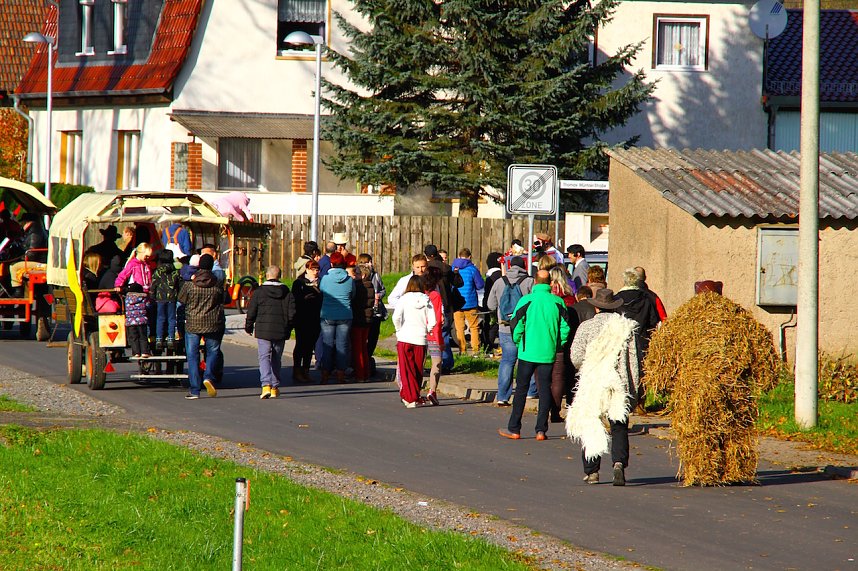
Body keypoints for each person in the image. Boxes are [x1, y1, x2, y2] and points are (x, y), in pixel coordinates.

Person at [566, 288, 641, 486]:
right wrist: (634, 388)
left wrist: (586, 366)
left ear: (596, 307)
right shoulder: (625, 327)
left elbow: (575, 357)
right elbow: (633, 360)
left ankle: (592, 471)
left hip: (593, 380)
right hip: (617, 381)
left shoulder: (586, 327)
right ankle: (618, 463)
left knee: (591, 422)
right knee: (618, 425)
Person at [498, 270, 570, 440]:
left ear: (535, 282)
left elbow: (515, 324)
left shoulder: (527, 300)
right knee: (545, 389)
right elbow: (565, 327)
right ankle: (541, 430)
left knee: (521, 389)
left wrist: (518, 341)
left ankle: (514, 428)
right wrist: (557, 344)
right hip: (548, 352)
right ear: (550, 283)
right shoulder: (557, 302)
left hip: (527, 352)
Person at [486, 256, 533, 406]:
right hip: (525, 327)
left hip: (505, 327)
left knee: (507, 361)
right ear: (524, 266)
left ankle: (503, 396)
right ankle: (531, 392)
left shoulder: (500, 281)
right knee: (528, 360)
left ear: (510, 266)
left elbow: (490, 305)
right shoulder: (529, 281)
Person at [245, 265, 296, 399]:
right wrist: (288, 328)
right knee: (276, 358)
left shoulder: (259, 292)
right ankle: (274, 386)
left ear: (267, 276)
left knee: (264, 357)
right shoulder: (287, 292)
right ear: (279, 276)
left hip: (263, 330)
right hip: (280, 330)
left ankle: (266, 384)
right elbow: (292, 313)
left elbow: (252, 311)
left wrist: (249, 326)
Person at [178, 254, 224, 400]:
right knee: (213, 351)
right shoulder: (217, 284)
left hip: (193, 324)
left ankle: (194, 390)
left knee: (192, 356)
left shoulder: (190, 285)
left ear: (198, 266)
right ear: (211, 266)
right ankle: (209, 376)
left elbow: (181, 299)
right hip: (213, 323)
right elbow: (225, 300)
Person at [392, 275, 436, 408]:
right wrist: (427, 329)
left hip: (405, 337)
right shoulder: (426, 300)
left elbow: (396, 317)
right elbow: (433, 320)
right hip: (420, 338)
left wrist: (399, 330)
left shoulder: (403, 299)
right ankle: (414, 395)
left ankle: (409, 397)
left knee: (406, 369)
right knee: (417, 369)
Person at [424, 245, 462, 372]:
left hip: (431, 305)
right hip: (446, 304)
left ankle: (438, 363)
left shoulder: (426, 269)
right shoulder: (446, 268)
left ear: (426, 256)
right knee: (444, 334)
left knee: (430, 335)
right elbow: (459, 283)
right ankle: (446, 362)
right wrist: (456, 273)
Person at [548, 266, 579, 423]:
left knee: (545, 375)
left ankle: (546, 407)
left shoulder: (549, 296)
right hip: (565, 340)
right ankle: (557, 409)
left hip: (547, 339)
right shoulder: (569, 296)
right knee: (560, 376)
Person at [319, 251, 355, 384]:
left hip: (327, 314)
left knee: (327, 344)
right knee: (342, 345)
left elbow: (321, 291)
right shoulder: (349, 280)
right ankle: (341, 374)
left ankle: (325, 375)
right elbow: (353, 295)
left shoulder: (325, 278)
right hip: (345, 314)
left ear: (331, 263)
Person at [616, 267, 661, 356]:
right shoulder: (647, 299)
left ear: (624, 281)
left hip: (622, 344)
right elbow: (654, 323)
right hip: (643, 343)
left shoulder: (616, 300)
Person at [291, 259, 322, 383]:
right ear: (307, 269)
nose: (316, 272)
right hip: (302, 318)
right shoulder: (299, 283)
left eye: (317, 269)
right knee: (300, 345)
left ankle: (306, 370)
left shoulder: (320, 283)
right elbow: (293, 299)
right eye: (313, 269)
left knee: (310, 347)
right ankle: (297, 370)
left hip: (315, 318)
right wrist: (304, 298)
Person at [451, 248, 484, 355]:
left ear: (459, 256)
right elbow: (480, 286)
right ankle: (476, 351)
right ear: (469, 257)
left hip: (456, 303)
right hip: (470, 303)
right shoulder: (473, 269)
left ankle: (462, 350)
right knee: (474, 327)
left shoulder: (453, 268)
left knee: (459, 328)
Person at [358, 253, 386, 371]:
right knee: (364, 337)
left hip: (376, 311)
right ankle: (363, 360)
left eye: (370, 261)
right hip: (364, 312)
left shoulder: (376, 276)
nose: (370, 264)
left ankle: (368, 356)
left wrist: (378, 295)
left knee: (374, 336)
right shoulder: (358, 277)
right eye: (366, 262)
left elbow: (383, 289)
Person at [421, 267, 445, 406]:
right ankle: (432, 390)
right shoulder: (435, 295)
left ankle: (415, 390)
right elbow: (436, 318)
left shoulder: (419, 293)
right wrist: (439, 338)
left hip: (418, 332)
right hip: (432, 334)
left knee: (420, 363)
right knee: (436, 363)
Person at [8, 213, 48, 296]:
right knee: (13, 265)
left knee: (14, 266)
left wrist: (20, 258)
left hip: (40, 263)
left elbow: (32, 252)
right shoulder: (34, 231)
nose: (22, 225)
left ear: (28, 222)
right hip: (38, 260)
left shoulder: (35, 233)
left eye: (23, 222)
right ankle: (18, 290)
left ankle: (18, 292)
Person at [150, 249, 181, 351]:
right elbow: (178, 285)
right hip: (172, 298)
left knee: (160, 318)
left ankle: (159, 339)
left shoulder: (158, 272)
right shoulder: (175, 272)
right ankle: (171, 338)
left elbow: (153, 285)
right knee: (171, 318)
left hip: (160, 298)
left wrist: (153, 296)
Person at [350, 263, 375, 382]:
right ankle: (366, 373)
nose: (355, 276)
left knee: (357, 348)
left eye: (357, 273)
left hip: (358, 319)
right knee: (363, 348)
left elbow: (355, 303)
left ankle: (360, 374)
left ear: (363, 275)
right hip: (367, 319)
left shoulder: (359, 286)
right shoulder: (370, 285)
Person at [480, 252, 503, 352]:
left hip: (489, 302)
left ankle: (486, 345)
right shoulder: (501, 275)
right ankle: (488, 344)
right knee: (494, 325)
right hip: (498, 303)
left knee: (489, 324)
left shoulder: (490, 276)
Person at [124, 283, 151, 358]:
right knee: (143, 337)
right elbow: (148, 306)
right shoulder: (143, 298)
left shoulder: (127, 299)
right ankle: (144, 352)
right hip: (141, 321)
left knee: (133, 337)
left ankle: (136, 352)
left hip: (130, 322)